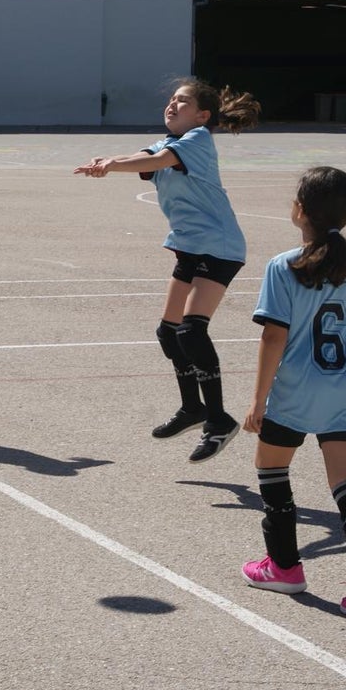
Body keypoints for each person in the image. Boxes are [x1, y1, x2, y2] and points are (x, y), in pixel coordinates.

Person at [74, 78, 259, 462]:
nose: (173, 105)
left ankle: (219, 420)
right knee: (169, 332)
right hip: (190, 247)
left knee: (192, 331)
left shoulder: (197, 141)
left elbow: (157, 162)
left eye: (183, 101)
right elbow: (143, 156)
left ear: (203, 116)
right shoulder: (168, 143)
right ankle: (193, 409)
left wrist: (111, 166)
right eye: (172, 100)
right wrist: (106, 162)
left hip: (220, 247)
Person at [240, 166, 346, 617]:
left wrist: (258, 400)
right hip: (343, 391)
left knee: (271, 467)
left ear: (299, 210)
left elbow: (273, 338)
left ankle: (284, 567)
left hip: (296, 391)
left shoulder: (283, 266)